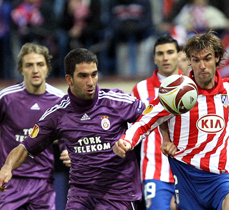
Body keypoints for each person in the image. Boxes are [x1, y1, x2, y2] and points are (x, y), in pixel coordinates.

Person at [112, 31, 229, 210]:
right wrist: (127, 141)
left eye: (207, 58)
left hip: (221, 177)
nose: (202, 65)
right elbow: (144, 121)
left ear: (217, 58)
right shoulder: (176, 92)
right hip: (187, 180)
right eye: (196, 60)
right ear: (189, 61)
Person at [0, 48, 146, 209]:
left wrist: (131, 138)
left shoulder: (116, 101)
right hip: (81, 195)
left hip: (118, 194)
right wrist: (7, 167)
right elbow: (26, 146)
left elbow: (152, 116)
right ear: (69, 79)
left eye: (94, 74)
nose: (90, 82)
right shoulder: (57, 114)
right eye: (83, 76)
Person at [0, 43, 70, 209]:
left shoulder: (60, 101)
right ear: (21, 69)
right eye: (29, 65)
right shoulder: (6, 98)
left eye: (40, 64)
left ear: (48, 68)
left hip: (43, 183)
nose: (35, 70)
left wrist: (67, 149)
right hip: (10, 181)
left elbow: (67, 133)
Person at [132, 35, 181, 210]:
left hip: (190, 171)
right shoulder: (140, 89)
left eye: (170, 52)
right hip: (154, 171)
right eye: (160, 54)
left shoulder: (192, 85)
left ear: (179, 54)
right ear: (154, 58)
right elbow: (133, 129)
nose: (165, 57)